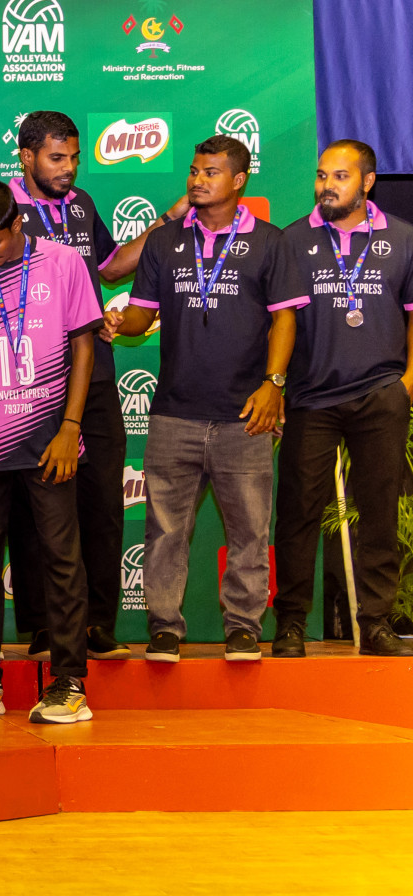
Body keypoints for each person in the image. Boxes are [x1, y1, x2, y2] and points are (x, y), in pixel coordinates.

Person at [106, 136, 306, 663]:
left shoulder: (270, 241)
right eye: (194, 170)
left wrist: (274, 384)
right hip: (174, 412)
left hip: (245, 413)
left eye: (210, 172)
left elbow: (285, 316)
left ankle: (243, 627)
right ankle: (164, 628)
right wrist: (113, 321)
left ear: (239, 181)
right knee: (166, 531)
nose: (197, 179)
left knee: (248, 530)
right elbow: (141, 315)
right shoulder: (165, 241)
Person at [5, 111, 171, 661]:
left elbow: (114, 267)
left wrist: (168, 220)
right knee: (37, 507)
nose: (69, 169)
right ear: (26, 157)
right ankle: (46, 626)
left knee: (101, 500)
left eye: (74, 157)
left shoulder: (81, 205)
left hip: (95, 373)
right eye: (57, 159)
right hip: (30, 379)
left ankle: (97, 623)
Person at [0, 178, 99, 725]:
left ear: (17, 224)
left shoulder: (62, 264)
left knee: (60, 562)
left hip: (49, 442)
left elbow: (84, 349)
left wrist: (70, 425)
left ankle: (68, 683)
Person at [274, 141, 413, 657]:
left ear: (367, 182)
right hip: (311, 397)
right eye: (320, 175)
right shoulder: (293, 240)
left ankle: (376, 621)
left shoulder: (402, 238)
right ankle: (290, 622)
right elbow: (278, 321)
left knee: (378, 510)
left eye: (340, 176)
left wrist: (406, 384)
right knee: (297, 512)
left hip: (381, 394)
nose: (326, 185)